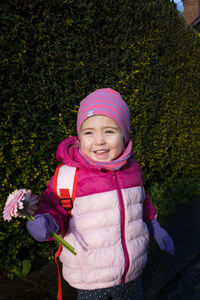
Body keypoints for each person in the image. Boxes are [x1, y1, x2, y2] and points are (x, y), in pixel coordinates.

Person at [27, 88, 175, 300]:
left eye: (109, 131)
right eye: (89, 132)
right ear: (78, 137)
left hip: (133, 273)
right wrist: (47, 221)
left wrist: (155, 225)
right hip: (92, 281)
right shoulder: (70, 175)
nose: (99, 141)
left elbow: (141, 201)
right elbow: (55, 205)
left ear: (124, 134)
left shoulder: (132, 169)